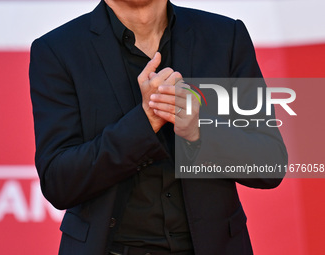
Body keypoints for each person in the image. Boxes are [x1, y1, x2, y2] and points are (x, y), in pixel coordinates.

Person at [29, 0, 287, 254]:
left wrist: (199, 133)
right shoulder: (58, 50)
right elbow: (58, 182)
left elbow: (270, 164)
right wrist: (144, 122)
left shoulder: (225, 37)